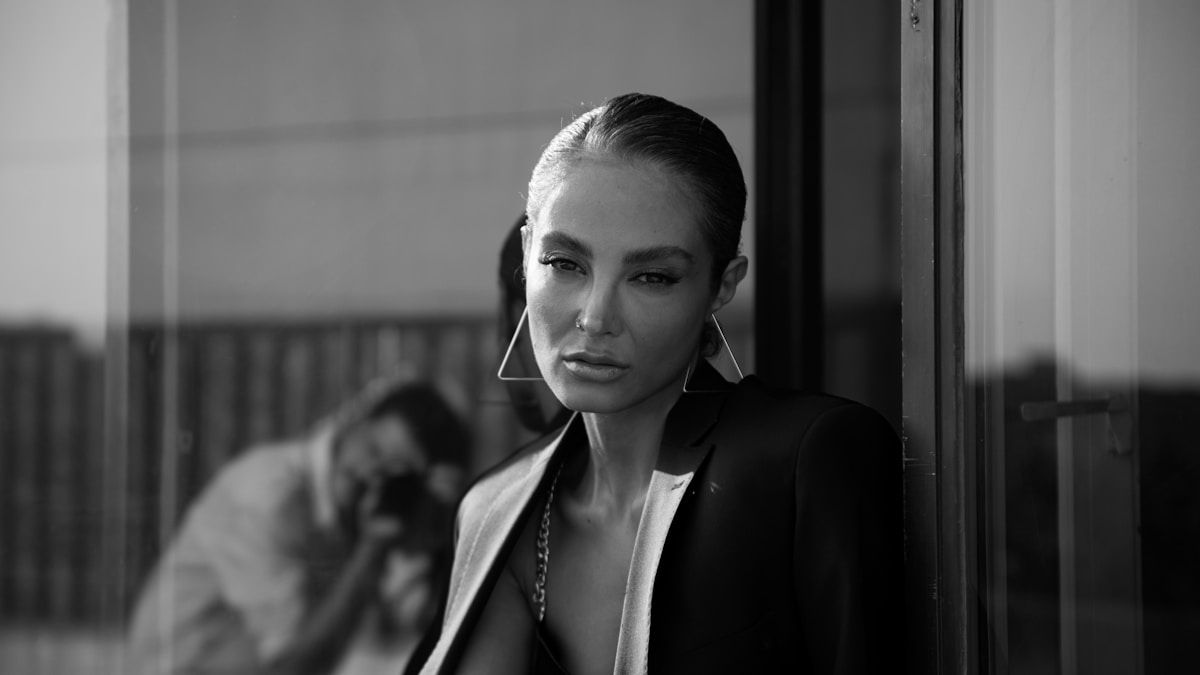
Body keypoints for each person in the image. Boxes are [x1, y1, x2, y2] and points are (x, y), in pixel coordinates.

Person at [412, 93, 903, 674]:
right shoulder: (494, 509)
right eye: (565, 264)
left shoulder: (808, 462)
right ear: (526, 256)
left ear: (723, 285)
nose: (596, 316)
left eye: (651, 276)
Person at [128, 377, 470, 675]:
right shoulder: (270, 498)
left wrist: (444, 529)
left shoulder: (347, 513)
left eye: (391, 472)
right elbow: (293, 667)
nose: (368, 471)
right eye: (372, 449)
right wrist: (372, 551)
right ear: (354, 421)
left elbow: (398, 630)